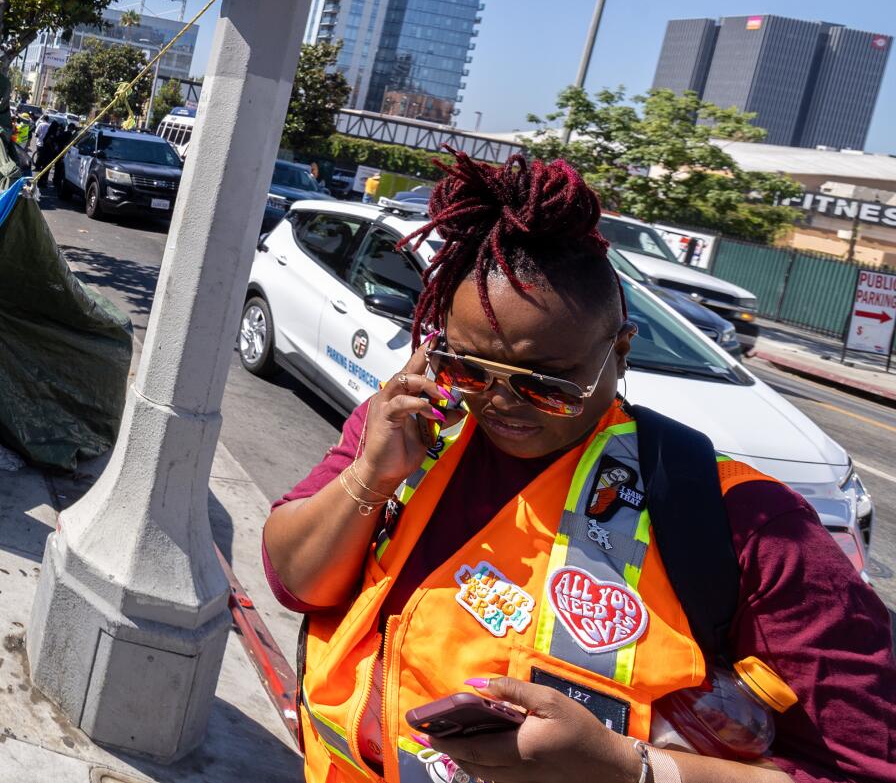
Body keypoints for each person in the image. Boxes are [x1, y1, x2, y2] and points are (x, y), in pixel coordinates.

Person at [263, 153, 896, 783]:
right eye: (468, 368)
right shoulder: (407, 430)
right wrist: (372, 475)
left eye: (547, 381)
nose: (500, 401)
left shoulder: (744, 521)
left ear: (619, 349)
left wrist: (626, 769)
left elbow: (862, 768)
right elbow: (296, 584)